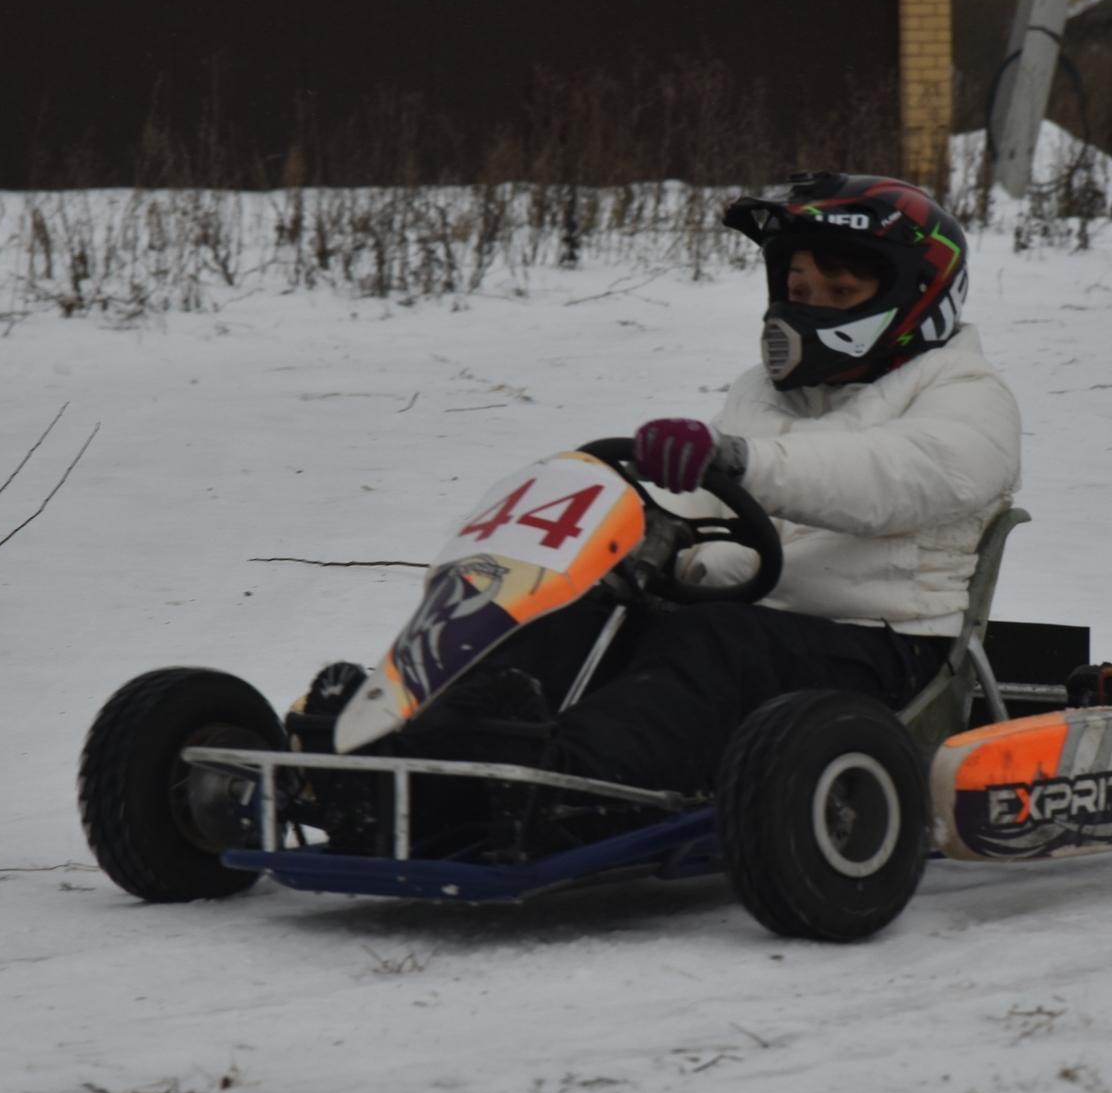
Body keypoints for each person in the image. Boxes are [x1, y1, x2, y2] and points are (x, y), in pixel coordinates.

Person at [316, 174, 1023, 799]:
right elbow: (704, 505)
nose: (806, 308)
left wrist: (740, 460)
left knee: (712, 643)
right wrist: (637, 538)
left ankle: (564, 783)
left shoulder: (966, 393)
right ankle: (413, 747)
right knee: (573, 613)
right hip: (752, 620)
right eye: (798, 288)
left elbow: (894, 477)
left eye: (839, 291)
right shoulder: (766, 396)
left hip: (883, 650)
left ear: (913, 294)